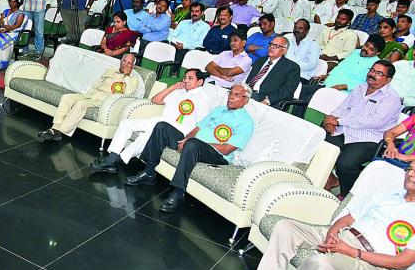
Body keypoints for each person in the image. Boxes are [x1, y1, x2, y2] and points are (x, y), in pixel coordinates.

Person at [242, 165, 415, 270]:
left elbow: (402, 262)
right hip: (344, 236)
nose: (411, 173)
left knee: (320, 263)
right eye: (410, 168)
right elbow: (347, 219)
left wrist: (350, 251)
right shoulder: (387, 195)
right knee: (285, 227)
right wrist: (332, 235)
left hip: (371, 262)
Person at [126, 84, 255, 213]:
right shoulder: (218, 110)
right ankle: (149, 171)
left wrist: (192, 142)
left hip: (217, 154)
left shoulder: (246, 121)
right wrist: (185, 140)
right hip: (193, 144)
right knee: (162, 126)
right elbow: (196, 129)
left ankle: (178, 192)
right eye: (230, 93)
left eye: (237, 95)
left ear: (245, 100)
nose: (231, 97)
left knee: (193, 144)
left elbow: (227, 149)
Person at [92, 69, 219, 173]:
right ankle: (112, 157)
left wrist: (187, 140)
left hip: (176, 131)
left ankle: (115, 161)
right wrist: (173, 87)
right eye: (185, 77)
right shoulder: (178, 91)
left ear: (200, 81)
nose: (186, 80)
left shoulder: (203, 99)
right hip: (159, 122)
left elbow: (200, 125)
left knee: (146, 136)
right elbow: (155, 100)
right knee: (126, 123)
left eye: (190, 78)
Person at [323, 60, 401, 194]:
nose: (372, 74)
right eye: (372, 70)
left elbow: (375, 122)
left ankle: (349, 196)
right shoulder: (361, 88)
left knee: (345, 164)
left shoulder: (391, 98)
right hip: (346, 130)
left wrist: (339, 121)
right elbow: (343, 107)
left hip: (369, 138)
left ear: (388, 80)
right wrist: (330, 119)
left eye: (379, 73)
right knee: (320, 143)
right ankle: (332, 179)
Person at [38, 54, 140, 141]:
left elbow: (127, 94)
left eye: (129, 63)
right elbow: (97, 83)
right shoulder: (111, 70)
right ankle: (56, 127)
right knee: (67, 97)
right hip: (92, 95)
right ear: (120, 61)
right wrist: (88, 94)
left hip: (104, 101)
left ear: (133, 66)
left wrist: (126, 77)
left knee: (81, 104)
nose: (125, 64)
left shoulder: (133, 79)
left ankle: (60, 131)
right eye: (124, 61)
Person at [246, 36, 301, 107]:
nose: (271, 47)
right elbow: (249, 81)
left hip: (265, 99)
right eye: (271, 44)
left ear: (284, 50)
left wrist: (268, 100)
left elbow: (287, 91)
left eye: (276, 46)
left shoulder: (291, 67)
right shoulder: (260, 61)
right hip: (248, 94)